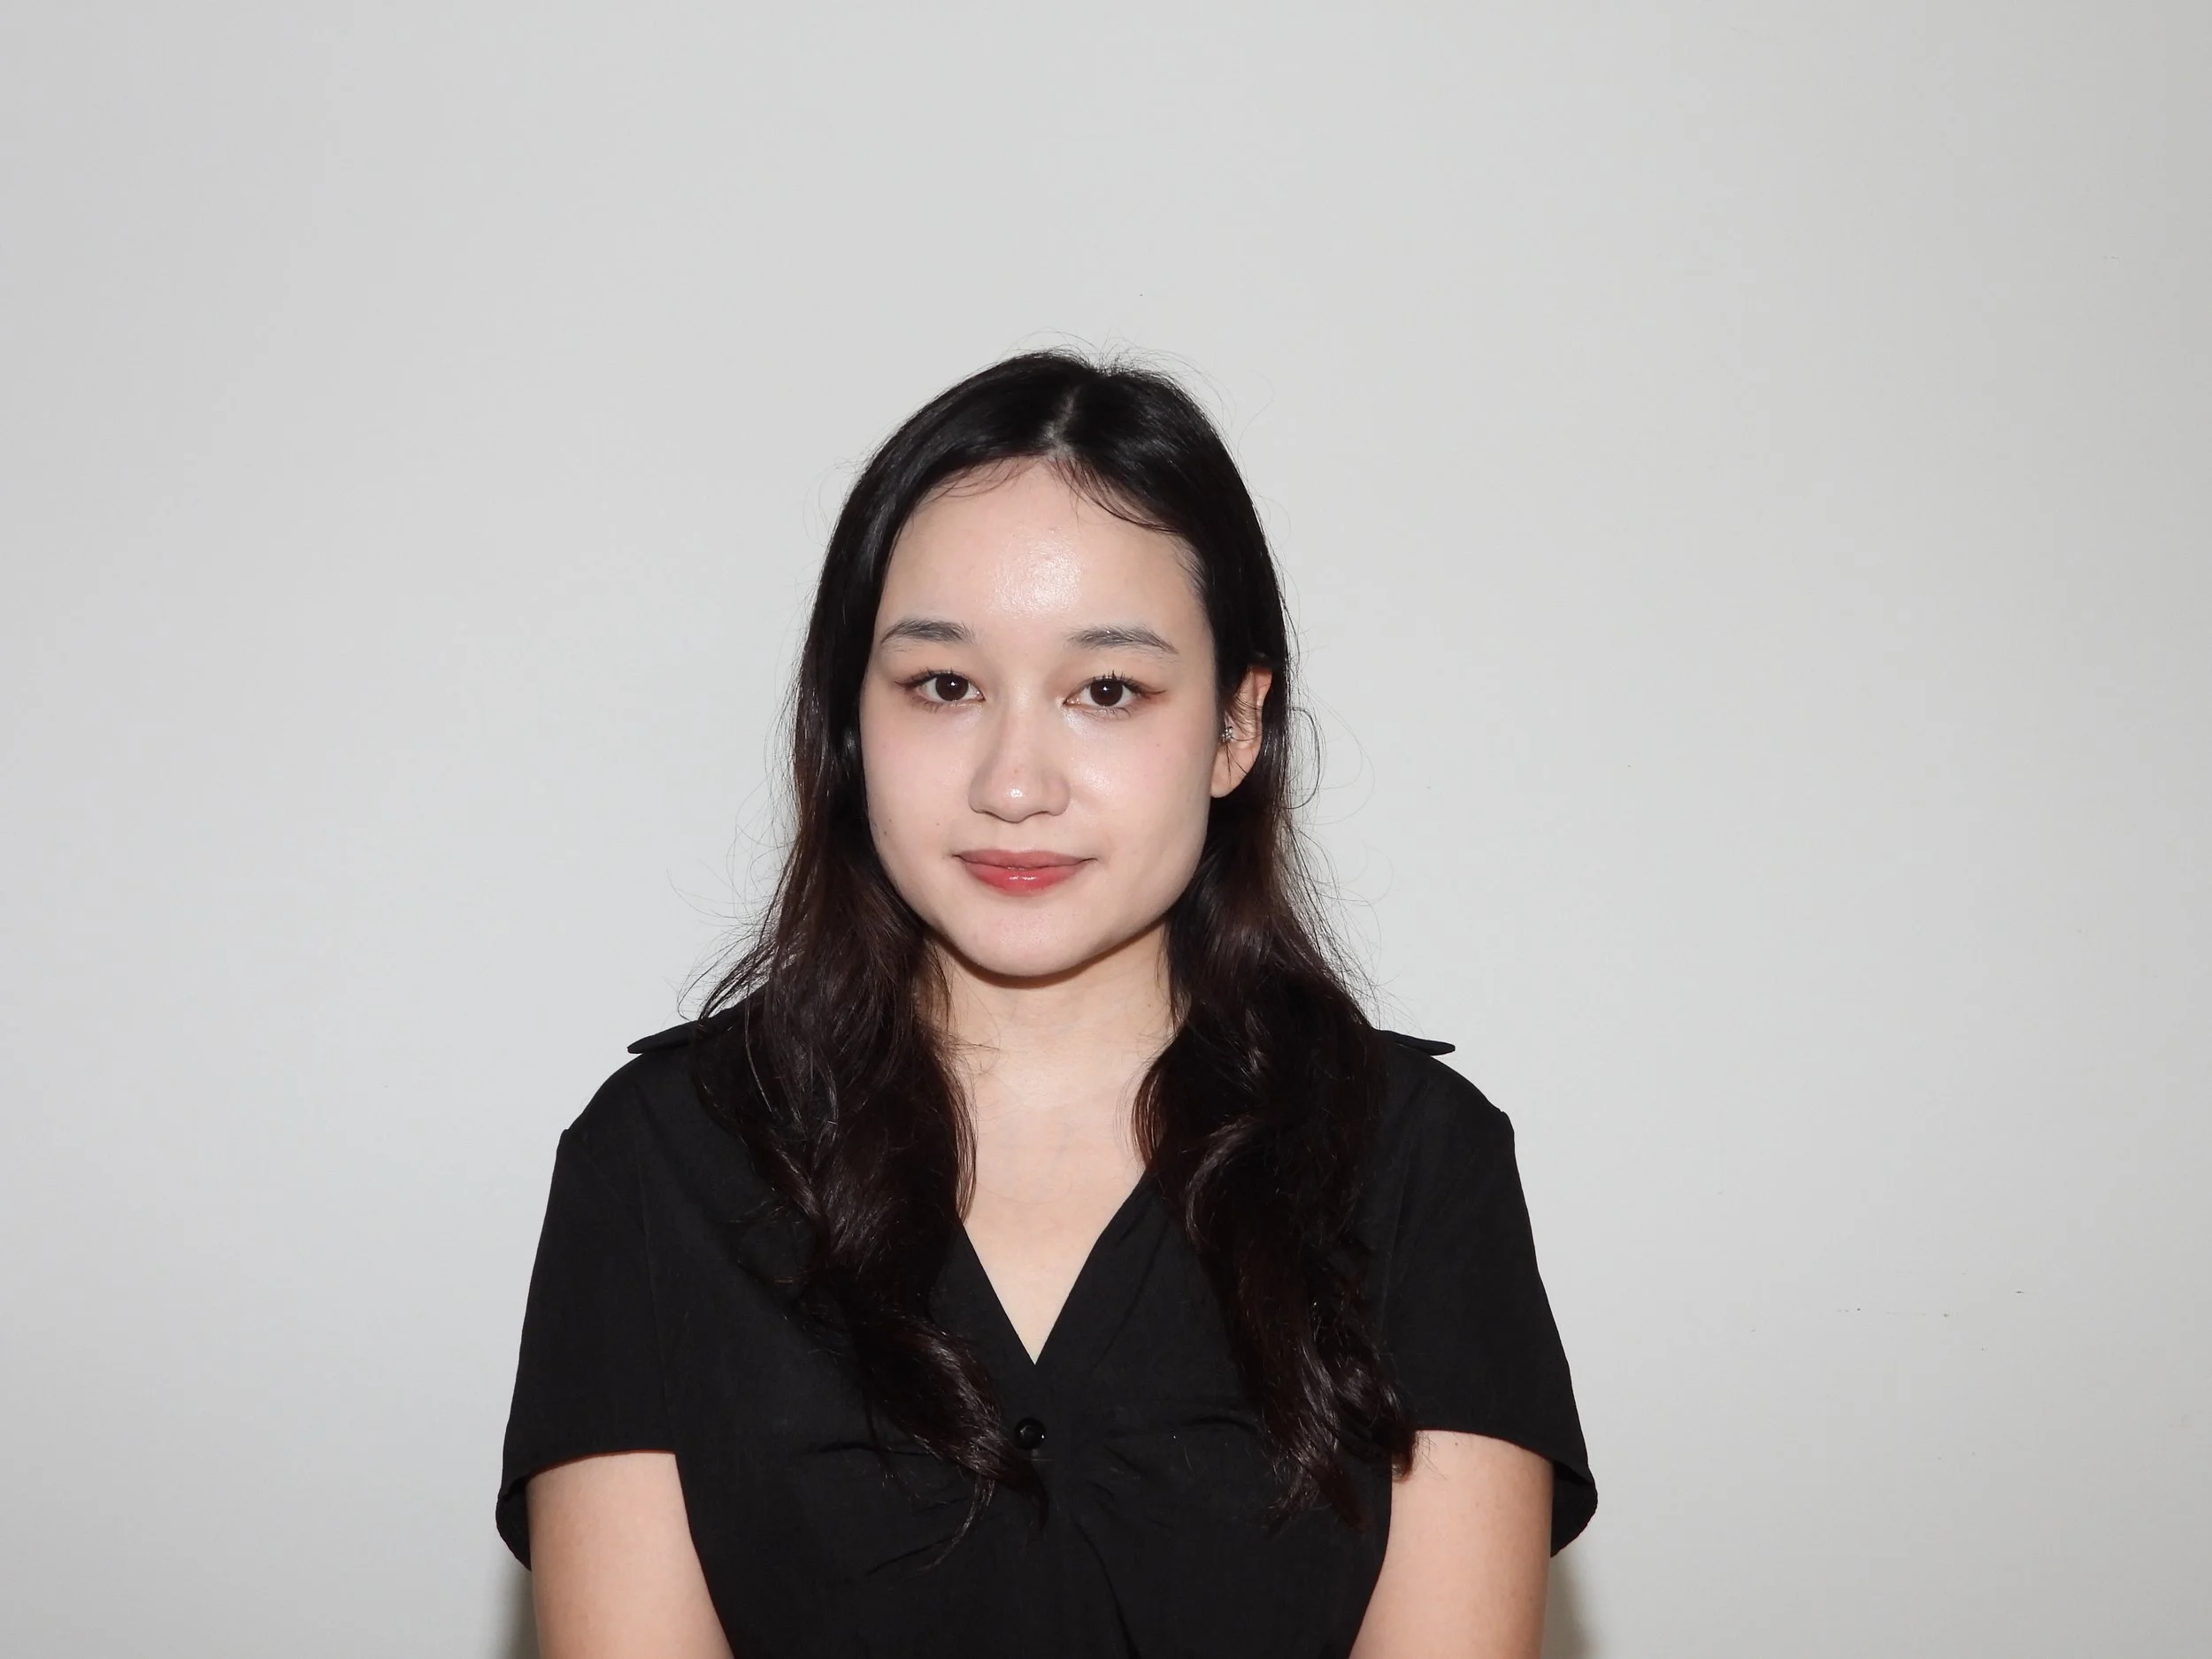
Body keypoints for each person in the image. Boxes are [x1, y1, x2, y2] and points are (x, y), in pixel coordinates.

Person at [496, 350, 1595, 1658]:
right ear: (851, 722)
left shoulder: (1420, 1165)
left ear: (1237, 728)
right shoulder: (657, 1162)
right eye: (944, 686)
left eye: (1107, 691)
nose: (1014, 783)